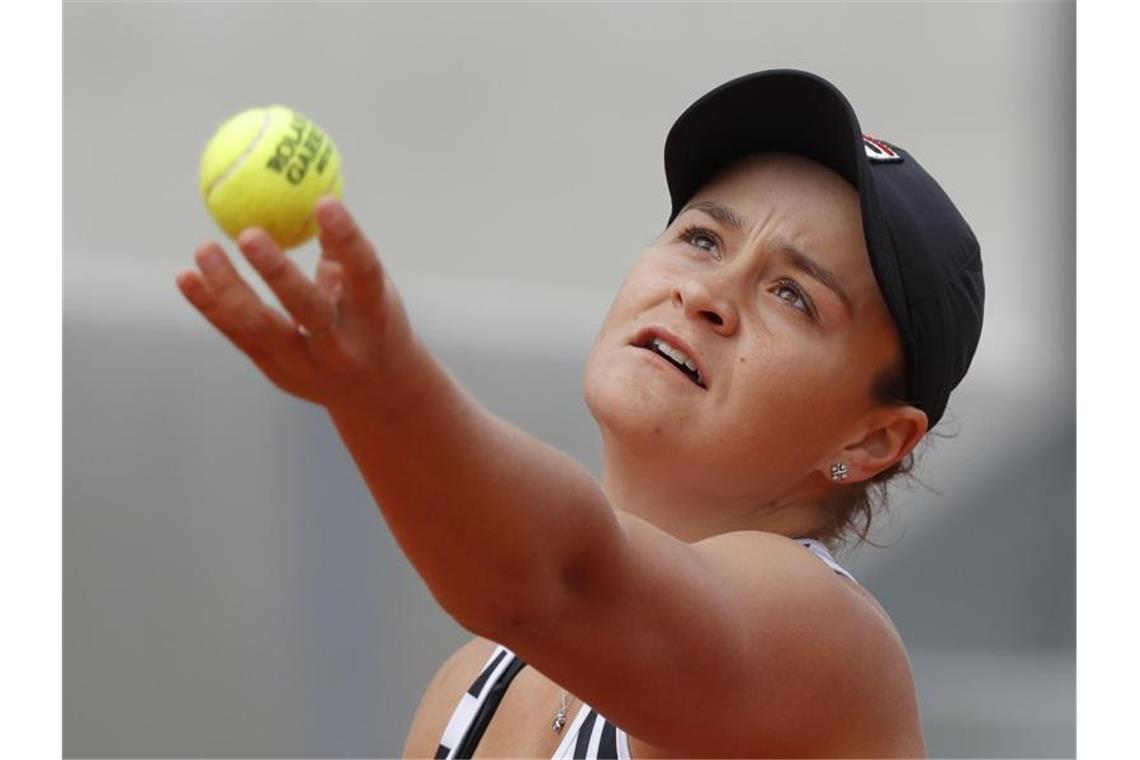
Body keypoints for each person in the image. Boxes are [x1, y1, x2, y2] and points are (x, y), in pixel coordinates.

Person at [175, 69, 983, 758]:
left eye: (792, 294)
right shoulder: (469, 685)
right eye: (702, 239)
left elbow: (562, 580)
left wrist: (384, 387)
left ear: (874, 438)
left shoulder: (830, 645)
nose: (705, 293)